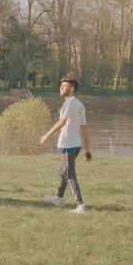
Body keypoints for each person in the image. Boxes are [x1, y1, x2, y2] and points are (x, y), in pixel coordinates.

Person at [40, 77, 91, 213]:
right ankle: (58, 198)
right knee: (62, 172)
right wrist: (88, 148)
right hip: (74, 145)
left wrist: (46, 135)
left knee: (69, 175)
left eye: (64, 86)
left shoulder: (70, 103)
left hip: (69, 145)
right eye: (61, 86)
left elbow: (62, 121)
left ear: (72, 89)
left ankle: (80, 205)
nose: (61, 88)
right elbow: (84, 128)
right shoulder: (80, 105)